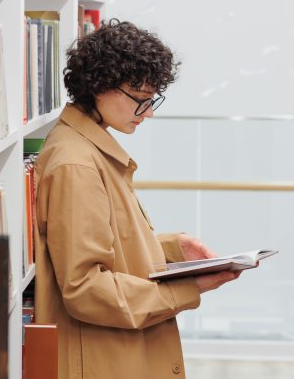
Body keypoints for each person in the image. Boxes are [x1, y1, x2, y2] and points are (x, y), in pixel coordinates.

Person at [31, 19, 240, 379]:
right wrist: (188, 287)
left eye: (152, 100)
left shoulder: (89, 149)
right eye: (141, 101)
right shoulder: (77, 164)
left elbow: (108, 242)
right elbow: (85, 288)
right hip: (104, 359)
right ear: (99, 85)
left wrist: (173, 249)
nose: (149, 112)